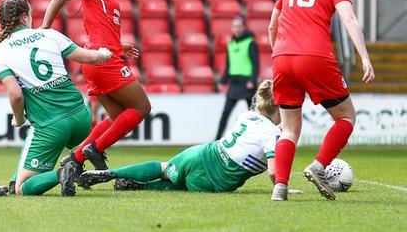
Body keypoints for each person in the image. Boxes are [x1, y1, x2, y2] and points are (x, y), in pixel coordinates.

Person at [268, 0, 375, 201]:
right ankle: (318, 166)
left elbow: (273, 25)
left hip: (282, 56)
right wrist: (364, 56)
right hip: (314, 56)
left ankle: (280, 188)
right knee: (346, 116)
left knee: (289, 127)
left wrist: (279, 53)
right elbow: (349, 20)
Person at [0, 0, 113, 196]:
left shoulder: (0, 51)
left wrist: (19, 118)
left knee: (23, 188)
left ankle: (64, 171)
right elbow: (91, 58)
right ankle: (26, 176)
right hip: (81, 118)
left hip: (52, 126)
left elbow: (15, 95)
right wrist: (106, 53)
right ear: (24, 17)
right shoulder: (50, 35)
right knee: (24, 170)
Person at [41, 0, 151, 177]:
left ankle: (76, 158)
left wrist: (120, 48)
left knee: (116, 116)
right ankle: (95, 148)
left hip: (98, 59)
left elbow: (98, 30)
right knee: (142, 108)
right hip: (104, 62)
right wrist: (44, 30)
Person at [77, 80, 283, 193]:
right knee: (180, 184)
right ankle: (143, 186)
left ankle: (114, 173)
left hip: (200, 154)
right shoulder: (272, 134)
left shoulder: (247, 116)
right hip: (215, 181)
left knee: (165, 168)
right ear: (280, 108)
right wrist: (281, 188)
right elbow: (273, 173)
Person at [216, 16, 259, 140]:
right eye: (235, 27)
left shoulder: (251, 42)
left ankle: (256, 138)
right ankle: (217, 139)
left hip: (247, 83)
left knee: (254, 114)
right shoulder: (231, 44)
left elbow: (256, 63)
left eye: (240, 26)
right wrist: (223, 81)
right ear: (232, 29)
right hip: (234, 83)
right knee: (225, 113)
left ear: (244, 27)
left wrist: (252, 80)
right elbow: (229, 65)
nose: (237, 29)